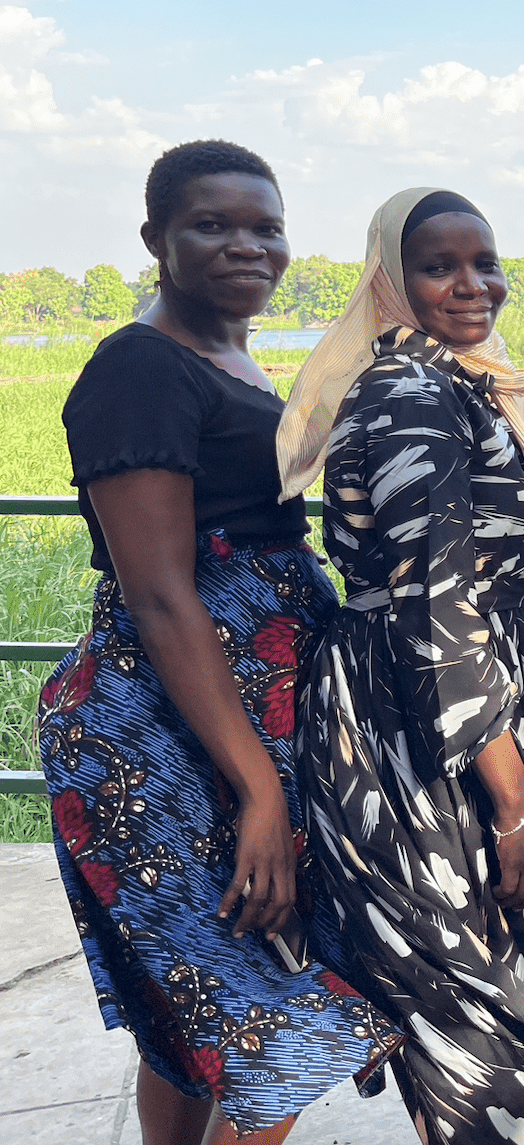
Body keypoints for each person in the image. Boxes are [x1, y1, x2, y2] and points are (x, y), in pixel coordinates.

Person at [38, 140, 398, 1144]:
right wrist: (260, 790)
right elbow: (158, 595)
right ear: (155, 239)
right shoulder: (138, 367)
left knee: (200, 1010)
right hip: (162, 734)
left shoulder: (232, 359)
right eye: (213, 225)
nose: (246, 246)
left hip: (243, 724)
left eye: (265, 228)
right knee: (272, 1025)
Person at [276, 188, 524, 1144]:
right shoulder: (407, 395)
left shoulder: (469, 383)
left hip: (468, 717)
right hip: (418, 740)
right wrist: (515, 804)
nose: (473, 285)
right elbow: (435, 606)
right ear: (393, 281)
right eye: (441, 266)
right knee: (492, 1037)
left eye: (487, 263)